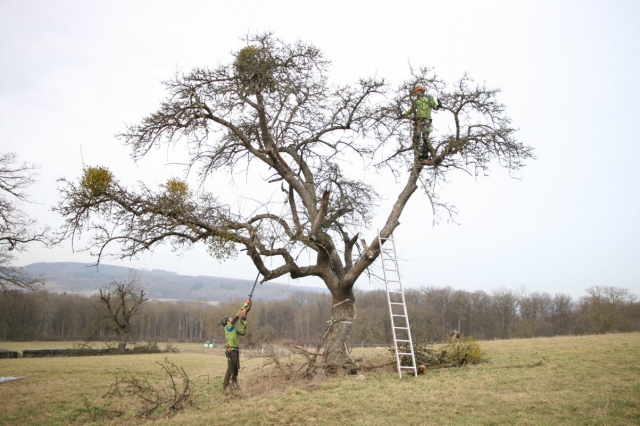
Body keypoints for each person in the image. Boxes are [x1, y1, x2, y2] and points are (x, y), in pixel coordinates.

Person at [403, 85, 442, 159]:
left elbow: (434, 107)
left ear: (420, 91)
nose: (416, 93)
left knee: (425, 137)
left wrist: (439, 105)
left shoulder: (429, 98)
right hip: (418, 120)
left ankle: (425, 154)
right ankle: (417, 154)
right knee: (417, 136)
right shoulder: (417, 101)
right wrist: (404, 114)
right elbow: (412, 109)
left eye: (416, 91)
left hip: (426, 119)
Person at [221, 301, 250, 391]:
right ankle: (225, 386)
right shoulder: (228, 327)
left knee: (236, 368)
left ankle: (234, 384)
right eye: (229, 319)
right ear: (226, 322)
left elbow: (243, 332)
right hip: (231, 351)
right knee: (230, 368)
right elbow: (237, 317)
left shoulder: (234, 330)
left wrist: (244, 324)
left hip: (236, 351)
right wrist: (245, 305)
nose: (230, 319)